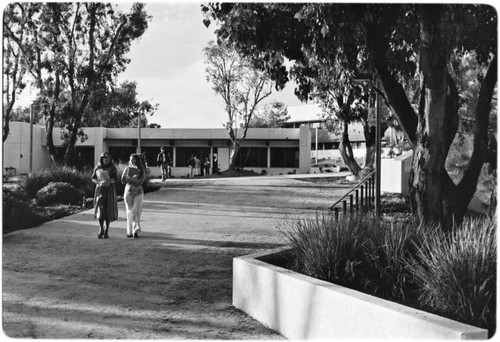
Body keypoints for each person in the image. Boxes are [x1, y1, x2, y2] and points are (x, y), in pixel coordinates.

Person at [92, 152, 118, 239]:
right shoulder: (98, 167)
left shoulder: (112, 167)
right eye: (105, 158)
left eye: (108, 158)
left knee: (108, 209)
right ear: (102, 158)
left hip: (109, 190)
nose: (107, 159)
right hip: (100, 190)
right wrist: (99, 182)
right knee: (100, 209)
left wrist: (108, 181)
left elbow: (115, 179)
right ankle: (101, 228)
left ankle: (106, 230)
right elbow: (93, 178)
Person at [121, 153, 146, 238]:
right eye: (131, 159)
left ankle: (136, 230)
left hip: (138, 191)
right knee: (129, 210)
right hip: (128, 191)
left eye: (134, 159)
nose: (132, 161)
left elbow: (141, 181)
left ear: (137, 160)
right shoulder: (127, 168)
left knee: (136, 210)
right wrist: (127, 178)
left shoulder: (141, 169)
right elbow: (122, 180)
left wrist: (131, 179)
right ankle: (129, 231)